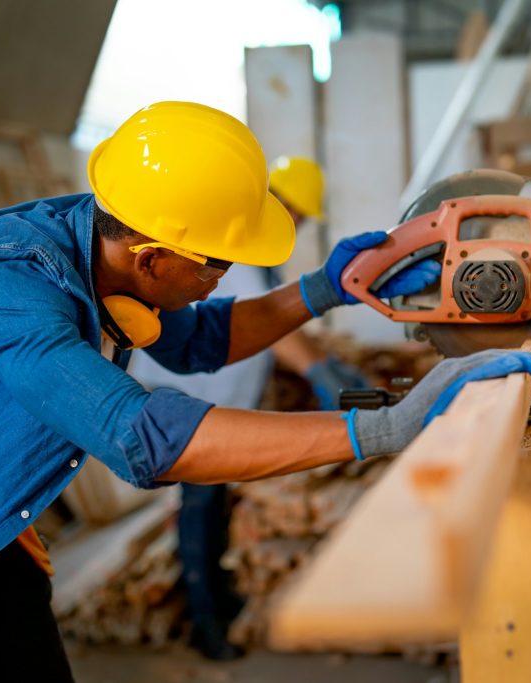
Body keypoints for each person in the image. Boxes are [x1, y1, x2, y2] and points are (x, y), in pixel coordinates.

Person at [0, 101, 531, 682]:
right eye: (216, 262)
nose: (222, 276)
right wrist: (384, 429)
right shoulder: (9, 284)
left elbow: (199, 340)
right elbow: (145, 438)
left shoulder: (103, 253)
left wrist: (324, 289)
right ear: (150, 258)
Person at [128, 155, 367, 660]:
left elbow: (267, 316)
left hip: (214, 392)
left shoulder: (260, 253)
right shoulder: (239, 248)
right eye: (294, 212)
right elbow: (247, 324)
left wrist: (324, 352)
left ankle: (217, 603)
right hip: (186, 396)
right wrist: (317, 371)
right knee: (199, 508)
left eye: (301, 217)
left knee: (212, 506)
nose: (295, 224)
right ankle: (206, 626)